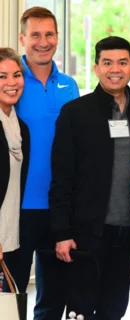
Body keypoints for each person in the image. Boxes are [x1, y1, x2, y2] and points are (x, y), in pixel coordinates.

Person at [49, 36, 130, 319]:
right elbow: (62, 177)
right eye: (107, 63)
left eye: (122, 62)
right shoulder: (75, 113)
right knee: (80, 311)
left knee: (114, 310)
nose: (114, 69)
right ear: (96, 68)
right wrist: (62, 233)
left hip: (128, 232)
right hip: (85, 234)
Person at [6, 7, 79, 319]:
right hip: (17, 209)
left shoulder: (70, 87)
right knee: (11, 294)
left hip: (59, 208)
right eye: (35, 34)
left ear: (57, 38)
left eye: (49, 34)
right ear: (23, 38)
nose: (43, 41)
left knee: (53, 298)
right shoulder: (12, 82)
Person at [0, 48, 30, 284]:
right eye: (2, 76)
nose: (11, 82)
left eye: (16, 75)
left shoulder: (21, 128)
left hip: (11, 237)